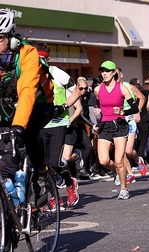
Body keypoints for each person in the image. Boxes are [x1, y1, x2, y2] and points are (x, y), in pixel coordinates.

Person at [0, 11, 55, 209]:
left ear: (12, 38)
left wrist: (18, 126)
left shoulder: (27, 53)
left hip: (41, 103)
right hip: (8, 104)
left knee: (28, 131)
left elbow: (27, 91)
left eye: (0, 38)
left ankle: (40, 176)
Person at [36, 42, 83, 207]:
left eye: (44, 59)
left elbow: (77, 90)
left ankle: (70, 184)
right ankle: (53, 197)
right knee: (42, 165)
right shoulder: (30, 74)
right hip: (40, 125)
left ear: (48, 59)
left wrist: (64, 106)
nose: (40, 62)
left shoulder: (57, 73)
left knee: (55, 162)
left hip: (58, 122)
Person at [94, 60, 139, 200]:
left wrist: (122, 112)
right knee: (103, 160)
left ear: (114, 73)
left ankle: (124, 189)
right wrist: (98, 113)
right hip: (105, 125)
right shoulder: (97, 89)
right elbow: (100, 106)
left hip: (119, 124)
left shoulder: (122, 88)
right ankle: (116, 172)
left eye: (107, 71)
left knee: (119, 160)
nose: (104, 74)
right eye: (102, 71)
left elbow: (134, 108)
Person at [114, 67, 146, 185]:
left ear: (121, 75)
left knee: (128, 151)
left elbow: (142, 97)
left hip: (130, 119)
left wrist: (138, 111)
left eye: (116, 74)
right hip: (119, 121)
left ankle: (138, 160)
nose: (115, 77)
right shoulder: (112, 89)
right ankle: (130, 174)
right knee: (121, 152)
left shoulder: (129, 87)